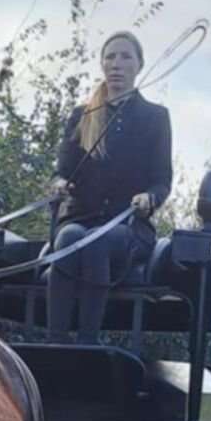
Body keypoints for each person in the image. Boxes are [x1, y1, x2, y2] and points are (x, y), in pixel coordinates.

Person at [47, 31, 173, 342]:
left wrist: (149, 198)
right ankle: (55, 342)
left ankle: (88, 342)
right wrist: (59, 184)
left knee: (96, 241)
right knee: (70, 237)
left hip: (128, 227)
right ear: (102, 64)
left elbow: (162, 179)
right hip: (80, 218)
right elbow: (61, 171)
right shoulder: (83, 115)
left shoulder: (155, 117)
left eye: (125, 56)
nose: (116, 64)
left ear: (139, 64)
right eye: (110, 57)